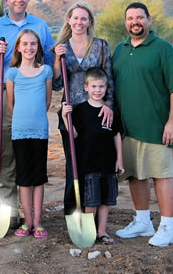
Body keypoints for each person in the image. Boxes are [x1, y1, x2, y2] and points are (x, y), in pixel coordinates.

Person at [113, 2, 173, 248]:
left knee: (163, 175)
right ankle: (143, 221)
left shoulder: (163, 49)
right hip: (128, 128)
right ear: (125, 22)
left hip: (158, 127)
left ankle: (167, 227)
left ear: (149, 19)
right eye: (130, 18)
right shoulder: (120, 50)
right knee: (135, 175)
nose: (135, 22)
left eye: (140, 17)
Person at [0, 0, 54, 228]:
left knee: (28, 153)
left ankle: (30, 213)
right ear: (6, 0)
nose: (18, 0)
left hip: (32, 97)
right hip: (3, 93)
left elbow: (49, 57)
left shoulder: (40, 25)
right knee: (5, 153)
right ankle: (8, 209)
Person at [52, 1, 114, 215]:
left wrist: (109, 104)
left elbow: (109, 78)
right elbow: (57, 84)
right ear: (69, 20)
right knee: (73, 164)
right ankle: (73, 213)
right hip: (70, 112)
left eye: (84, 18)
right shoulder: (61, 47)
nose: (79, 22)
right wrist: (57, 60)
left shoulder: (101, 45)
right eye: (75, 18)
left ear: (89, 22)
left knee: (95, 163)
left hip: (95, 111)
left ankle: (94, 213)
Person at [61, 67, 124, 244]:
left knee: (106, 201)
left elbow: (116, 135)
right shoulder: (80, 110)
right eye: (94, 86)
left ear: (106, 88)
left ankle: (101, 232)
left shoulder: (110, 112)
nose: (98, 90)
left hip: (108, 163)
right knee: (92, 200)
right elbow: (73, 135)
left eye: (101, 87)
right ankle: (89, 231)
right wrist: (66, 118)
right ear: (86, 87)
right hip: (89, 164)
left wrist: (119, 159)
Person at [6, 29, 53, 237]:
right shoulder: (12, 73)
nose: (29, 48)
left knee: (38, 177)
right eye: (24, 44)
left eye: (33, 44)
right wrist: (21, 121)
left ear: (38, 47)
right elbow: (10, 105)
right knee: (24, 178)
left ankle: (38, 221)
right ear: (18, 47)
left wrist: (37, 121)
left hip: (40, 130)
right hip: (20, 131)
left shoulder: (46, 71)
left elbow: (47, 101)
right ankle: (27, 221)